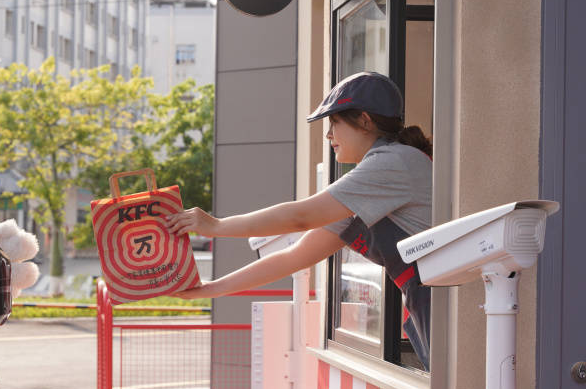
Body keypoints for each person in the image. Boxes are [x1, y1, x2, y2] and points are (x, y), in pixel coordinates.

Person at [165, 71, 433, 368]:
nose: (328, 135)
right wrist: (208, 289)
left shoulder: (392, 162)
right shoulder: (372, 182)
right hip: (429, 302)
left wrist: (215, 226)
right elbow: (294, 257)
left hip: (438, 300)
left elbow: (300, 217)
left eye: (334, 122)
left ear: (365, 121)